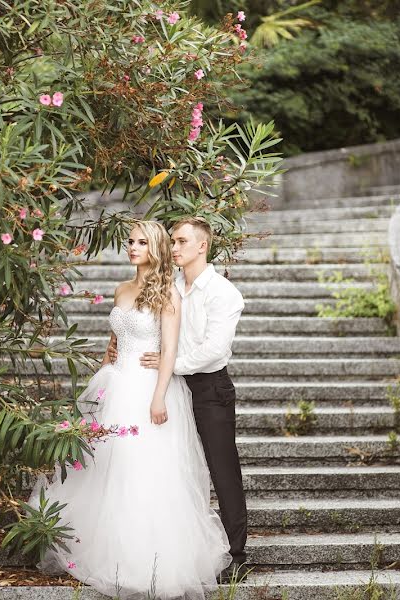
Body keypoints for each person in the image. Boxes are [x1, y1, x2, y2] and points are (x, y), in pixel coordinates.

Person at [28, 220, 231, 599]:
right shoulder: (122, 289)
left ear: (154, 249)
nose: (132, 247)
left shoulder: (167, 293)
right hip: (117, 385)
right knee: (110, 467)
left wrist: (158, 397)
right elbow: (116, 337)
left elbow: (169, 350)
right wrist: (108, 360)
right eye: (130, 241)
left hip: (148, 389)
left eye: (141, 242)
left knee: (143, 472)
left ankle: (146, 562)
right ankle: (109, 551)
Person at [139, 216, 248, 582]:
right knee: (178, 469)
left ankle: (237, 554)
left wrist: (171, 364)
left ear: (203, 246)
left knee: (222, 470)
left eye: (182, 241)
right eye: (172, 241)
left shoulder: (223, 293)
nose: (174, 248)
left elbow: (214, 350)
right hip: (173, 387)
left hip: (209, 389)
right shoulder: (170, 287)